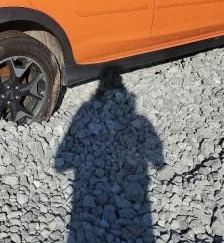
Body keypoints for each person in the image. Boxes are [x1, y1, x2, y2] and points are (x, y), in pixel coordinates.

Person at [55, 73, 165, 242]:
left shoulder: (85, 109)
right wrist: (157, 162)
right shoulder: (139, 119)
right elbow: (156, 156)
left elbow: (60, 164)